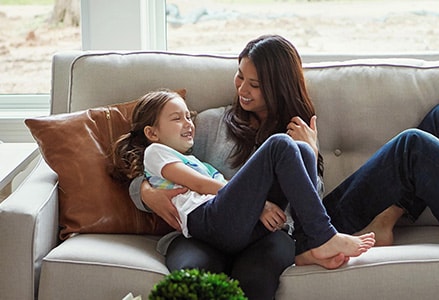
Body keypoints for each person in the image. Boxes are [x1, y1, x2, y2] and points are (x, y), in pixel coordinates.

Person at [128, 35, 349, 299]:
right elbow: (160, 163)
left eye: (254, 84)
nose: (242, 89)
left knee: (254, 279)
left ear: (278, 88)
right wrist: (145, 192)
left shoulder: (297, 136)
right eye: (239, 76)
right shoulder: (210, 123)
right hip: (206, 232)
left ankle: (320, 240)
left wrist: (311, 152)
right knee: (193, 274)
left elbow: (308, 203)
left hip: (267, 236)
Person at [113, 89, 375, 270]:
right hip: (206, 221)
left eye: (188, 116)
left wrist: (255, 203)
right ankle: (324, 234)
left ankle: (310, 245)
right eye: (176, 118)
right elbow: (202, 185)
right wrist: (258, 204)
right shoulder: (156, 153)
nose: (189, 123)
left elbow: (226, 191)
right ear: (152, 132)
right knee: (280, 144)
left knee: (303, 150)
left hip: (234, 226)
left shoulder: (199, 163)